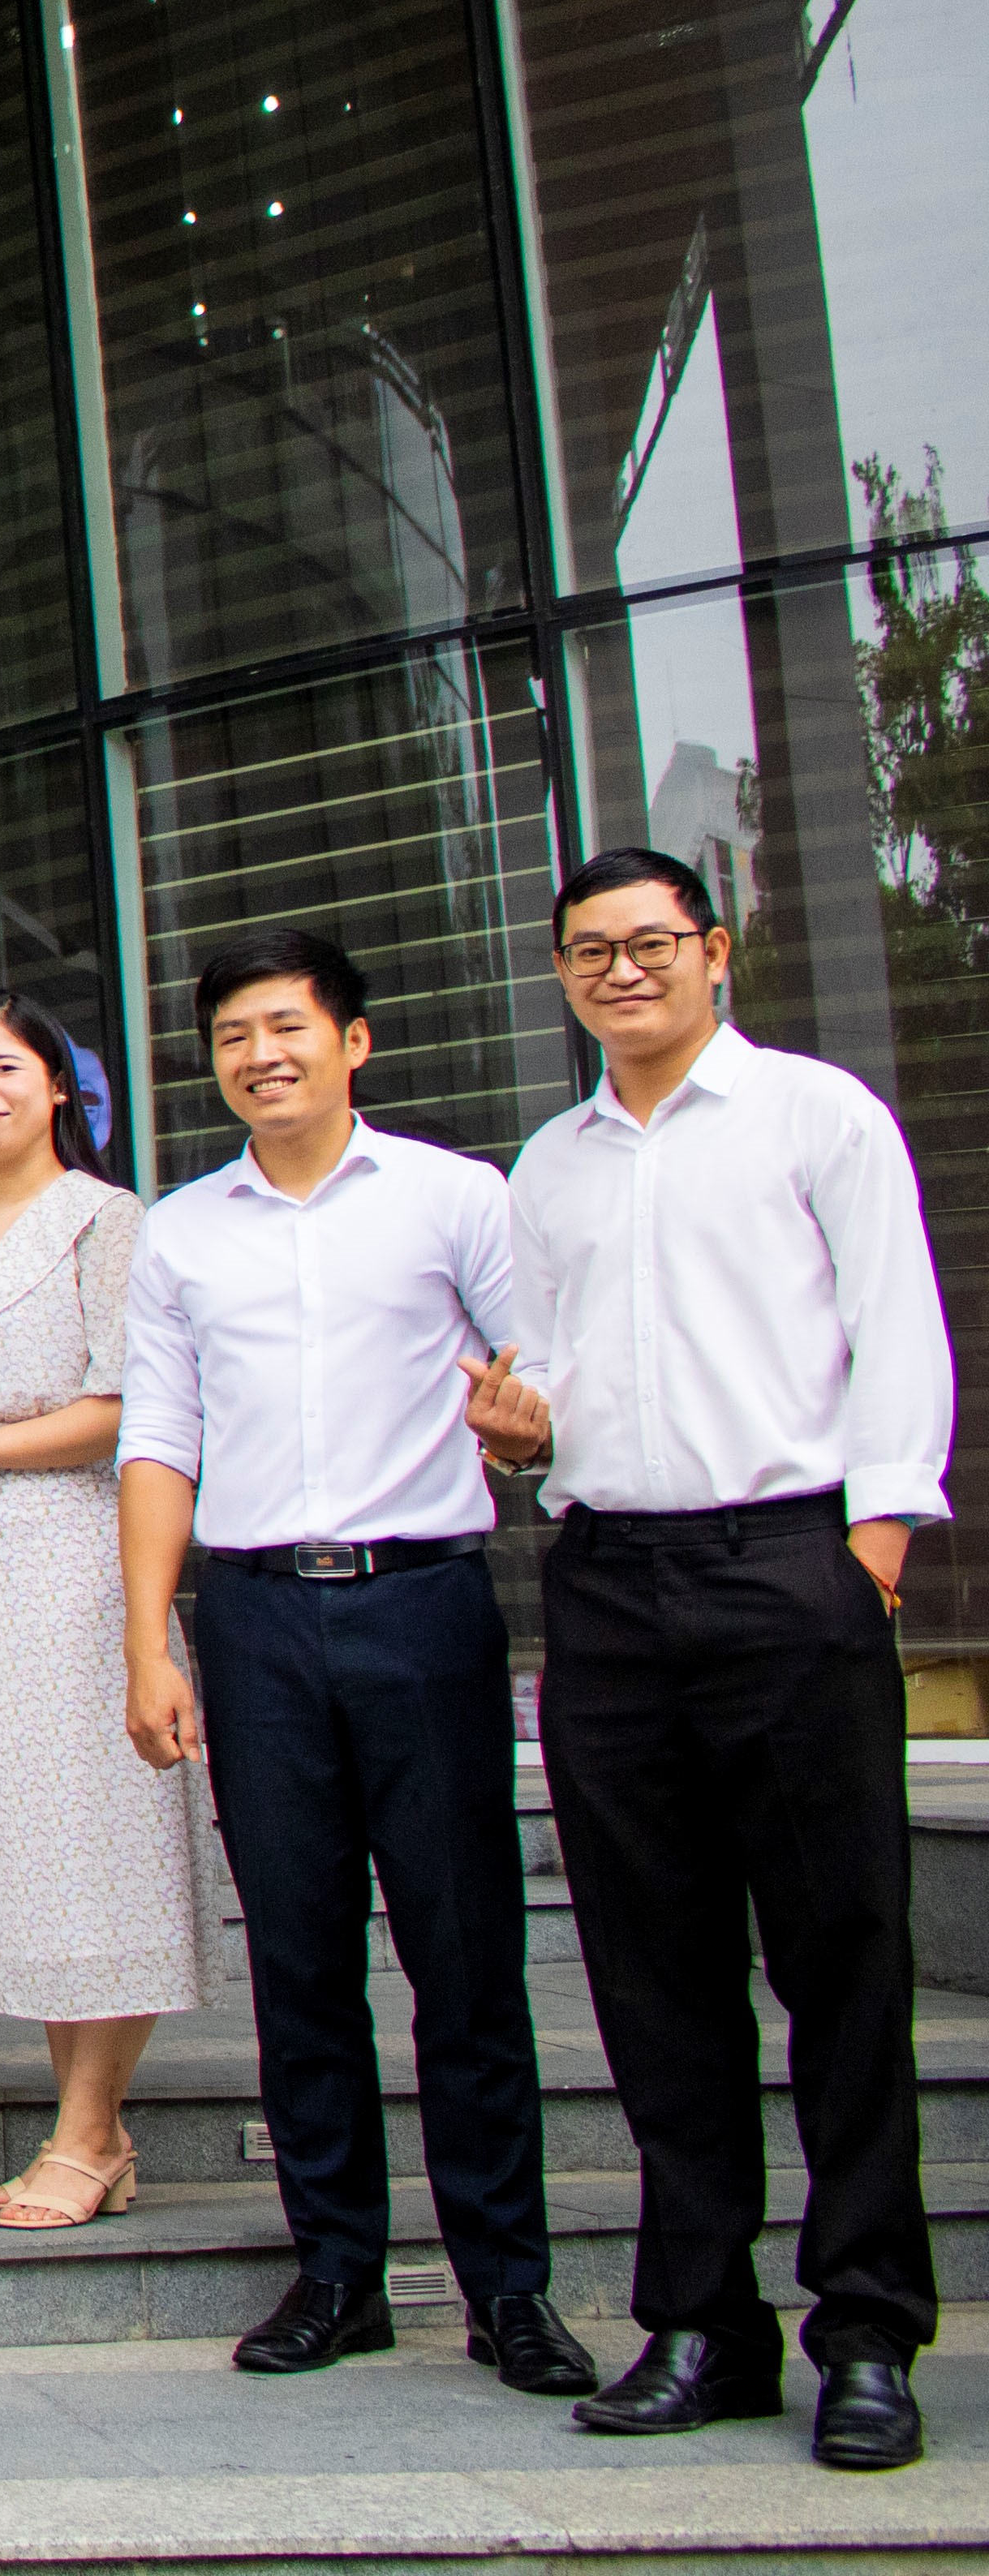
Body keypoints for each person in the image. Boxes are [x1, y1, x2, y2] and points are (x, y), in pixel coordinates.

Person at [500, 851, 947, 2467]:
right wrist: (523, 1435)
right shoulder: (549, 1163)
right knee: (655, 1972)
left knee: (843, 1961)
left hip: (790, 1568)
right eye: (590, 951)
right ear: (563, 972)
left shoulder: (816, 1116)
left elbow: (898, 1327)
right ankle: (704, 2322)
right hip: (611, 1583)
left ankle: (870, 2329)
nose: (622, 971)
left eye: (650, 943)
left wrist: (873, 1551)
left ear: (715, 949)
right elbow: (550, 1369)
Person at [116, 927, 588, 2396]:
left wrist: (528, 1429)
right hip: (255, 1621)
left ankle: (509, 2287)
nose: (261, 1057)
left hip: (423, 1607)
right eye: (234, 1037)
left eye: (287, 1028)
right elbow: (160, 1436)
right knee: (301, 1959)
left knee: (466, 1956)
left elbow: (543, 1373)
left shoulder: (457, 1197)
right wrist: (150, 1637)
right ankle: (338, 2272)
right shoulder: (182, 1232)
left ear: (352, 1041)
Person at [0, 992, 211, 2229]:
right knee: (33, 1846)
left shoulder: (106, 1220)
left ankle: (87, 2131)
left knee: (101, 1839)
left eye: (6, 1069)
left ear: (61, 1087)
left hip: (80, 1557)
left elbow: (133, 1404)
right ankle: (92, 2131)